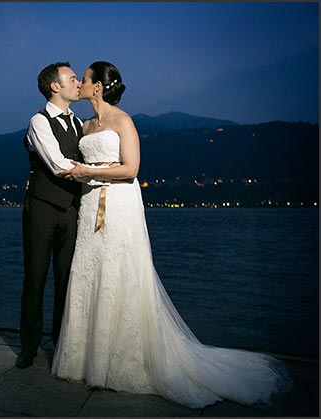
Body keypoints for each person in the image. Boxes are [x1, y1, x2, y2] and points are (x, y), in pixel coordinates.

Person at [51, 61, 293, 409]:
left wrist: (89, 170)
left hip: (118, 204)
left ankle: (121, 361)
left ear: (99, 86)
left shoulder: (123, 121)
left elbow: (132, 168)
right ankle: (84, 360)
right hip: (90, 205)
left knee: (121, 272)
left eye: (86, 79)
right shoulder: (85, 124)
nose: (82, 84)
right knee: (89, 271)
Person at [17, 62, 87, 369]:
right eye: (72, 79)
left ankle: (61, 345)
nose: (78, 82)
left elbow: (74, 161)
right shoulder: (39, 121)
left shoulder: (78, 122)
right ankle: (29, 348)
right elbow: (58, 165)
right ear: (55, 87)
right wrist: (100, 173)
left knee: (65, 282)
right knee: (35, 279)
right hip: (41, 210)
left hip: (71, 211)